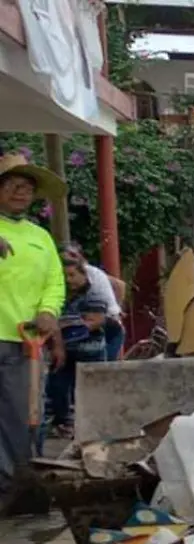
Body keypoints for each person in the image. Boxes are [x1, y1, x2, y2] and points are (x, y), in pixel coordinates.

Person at [0, 153, 66, 507]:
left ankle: (20, 483)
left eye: (25, 187)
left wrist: (48, 311)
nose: (19, 192)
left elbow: (55, 282)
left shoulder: (40, 237)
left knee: (23, 416)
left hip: (24, 341)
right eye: (11, 185)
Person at [44, 258, 109, 439]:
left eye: (73, 275)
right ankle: (64, 423)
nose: (69, 280)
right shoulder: (59, 297)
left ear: (83, 274)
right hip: (63, 351)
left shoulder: (94, 293)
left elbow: (96, 321)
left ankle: (94, 426)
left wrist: (67, 325)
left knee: (91, 390)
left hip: (90, 352)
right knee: (58, 388)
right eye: (65, 276)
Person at [60, 243, 124, 361]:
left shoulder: (93, 277)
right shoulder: (67, 278)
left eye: (71, 257)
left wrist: (115, 309)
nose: (68, 279)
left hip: (106, 326)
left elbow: (94, 321)